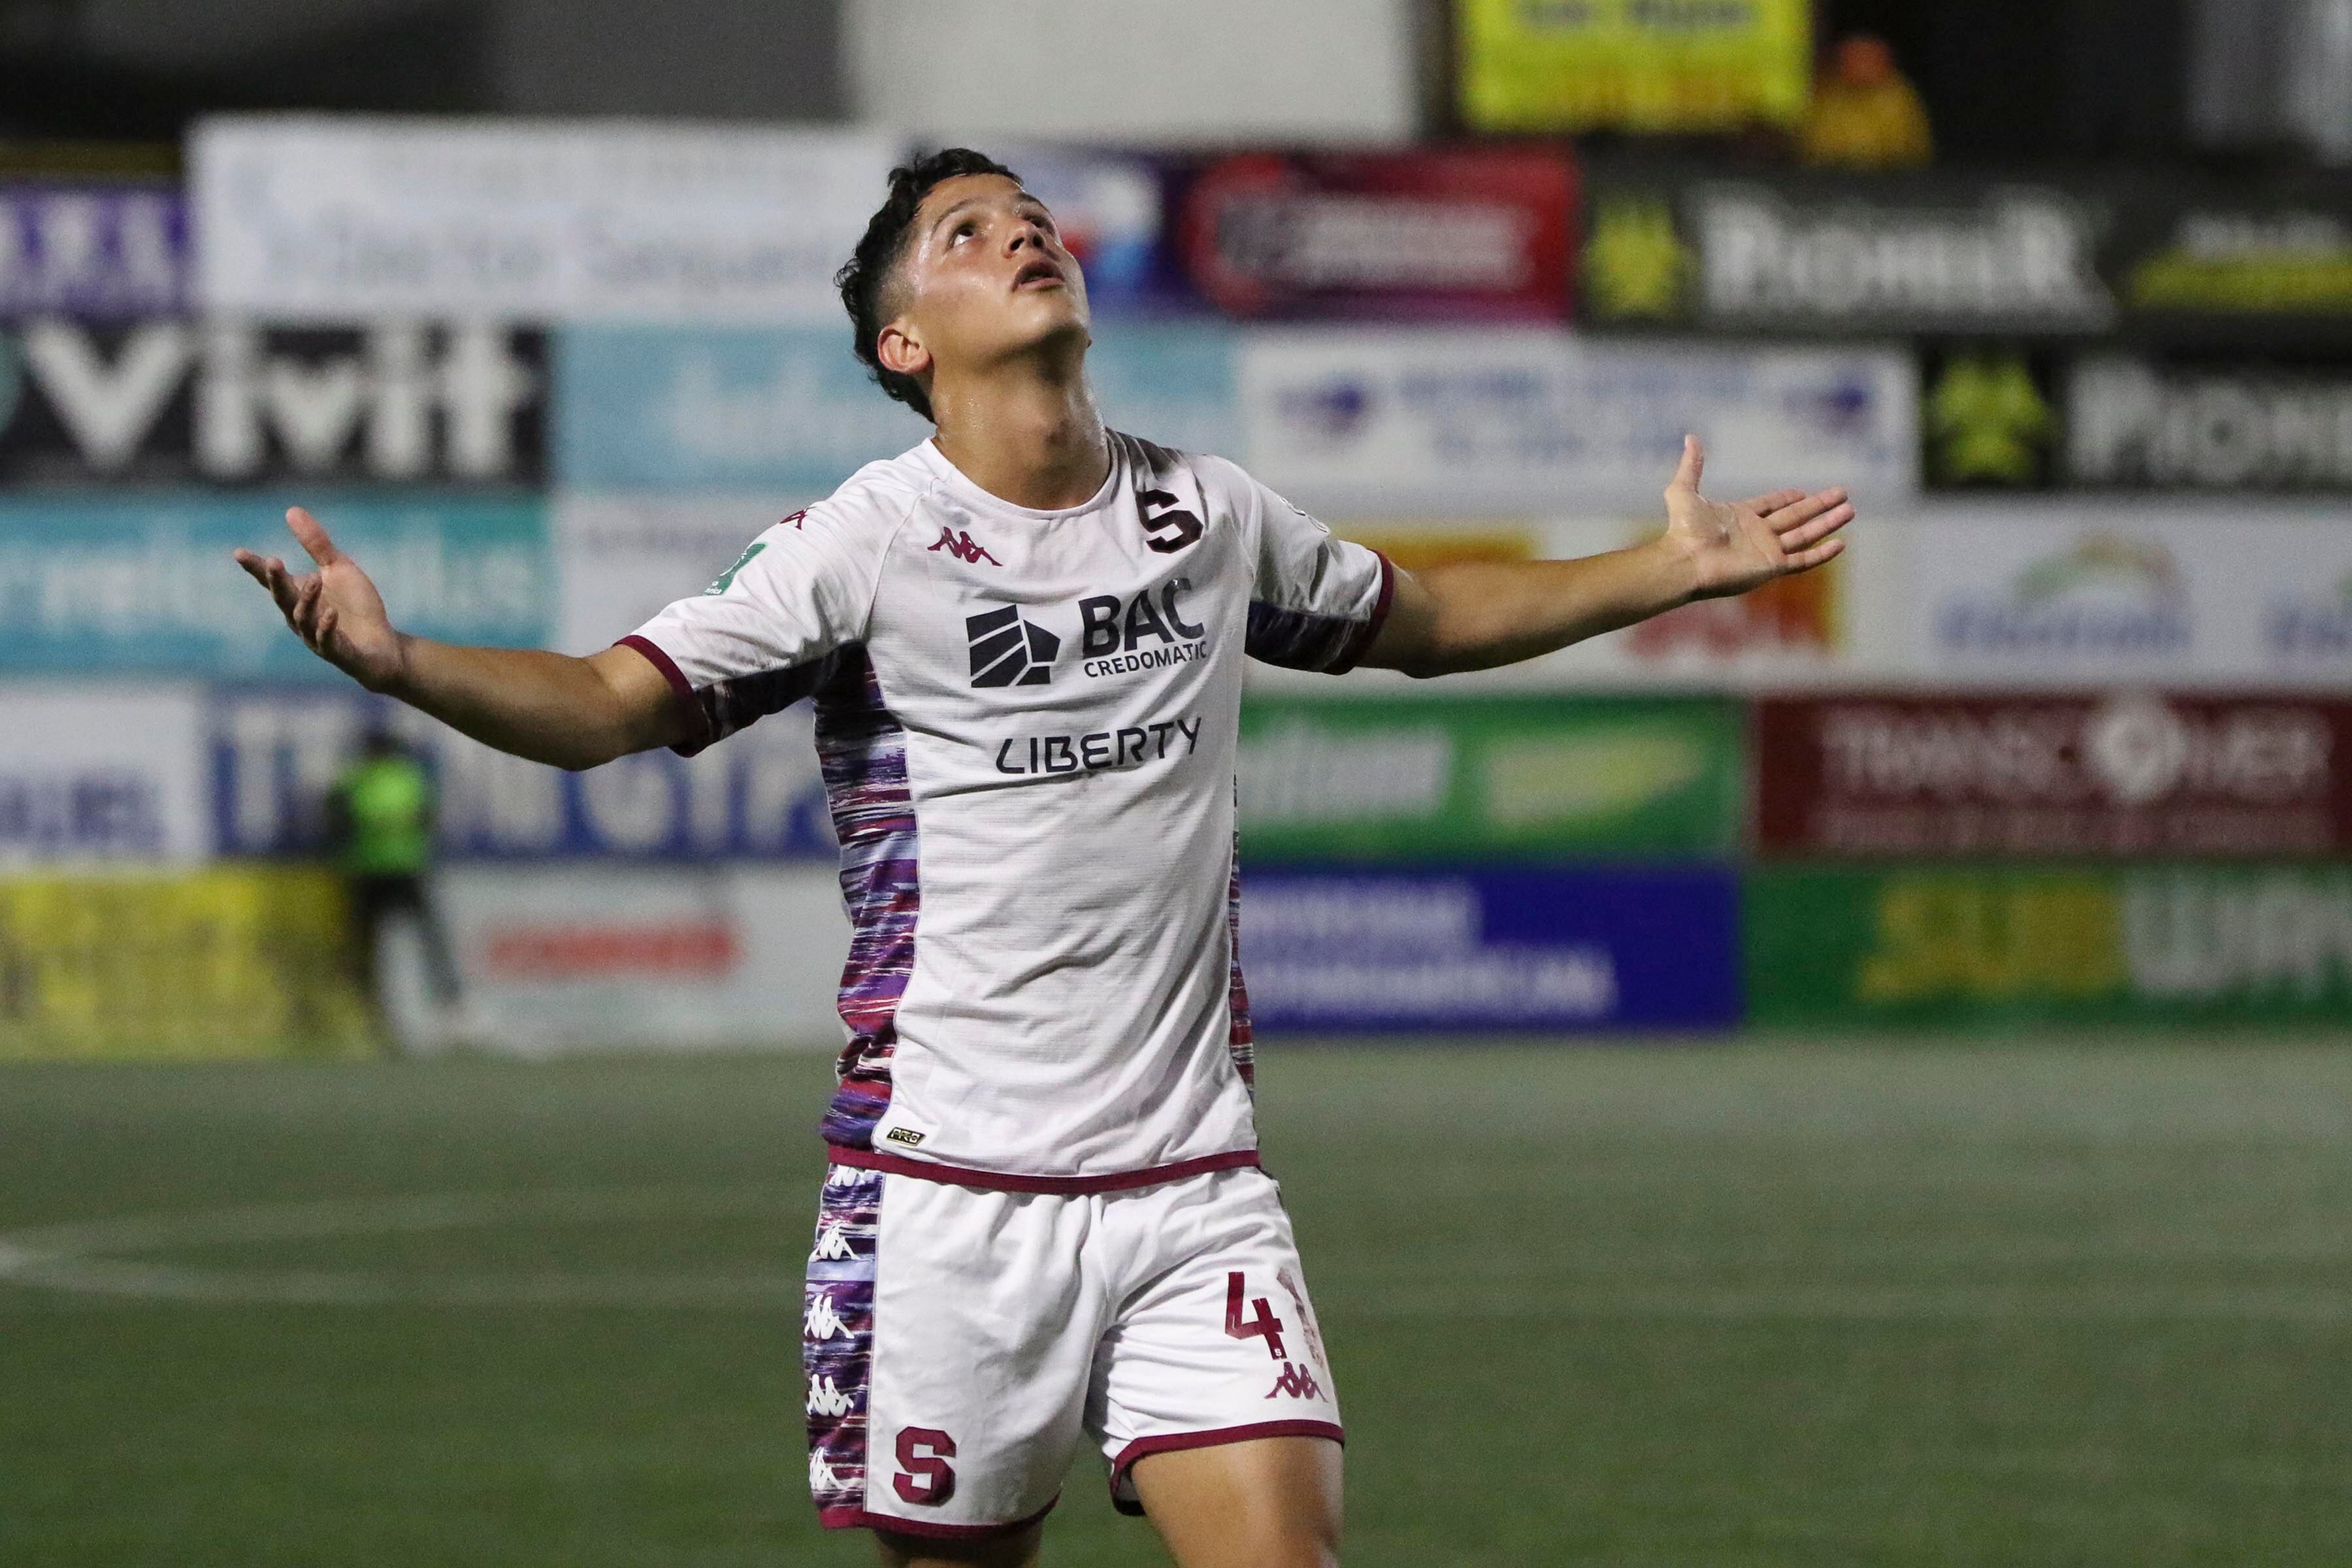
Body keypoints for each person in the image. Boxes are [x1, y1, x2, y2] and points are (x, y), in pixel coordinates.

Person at [233, 148, 1853, 1568]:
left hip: (1194, 1183)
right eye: (964, 232)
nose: (1021, 233)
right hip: (946, 1193)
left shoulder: (1205, 512)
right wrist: (403, 661)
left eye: (1026, 215)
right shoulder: (857, 545)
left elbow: (1415, 621)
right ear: (904, 341)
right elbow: (603, 700)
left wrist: (1660, 567)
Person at [329, 724, 465, 1047]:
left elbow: (337, 823)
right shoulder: (409, 779)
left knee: (370, 946)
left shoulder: (355, 780)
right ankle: (447, 1004)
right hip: (401, 869)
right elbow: (427, 819)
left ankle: (369, 1009)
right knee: (426, 941)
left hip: (373, 871)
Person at [1800, 34, 1935, 170]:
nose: (1862, 65)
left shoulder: (1898, 95)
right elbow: (1814, 146)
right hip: (1832, 176)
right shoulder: (1827, 94)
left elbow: (1913, 148)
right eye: (1855, 58)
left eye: (1868, 59)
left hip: (1890, 178)